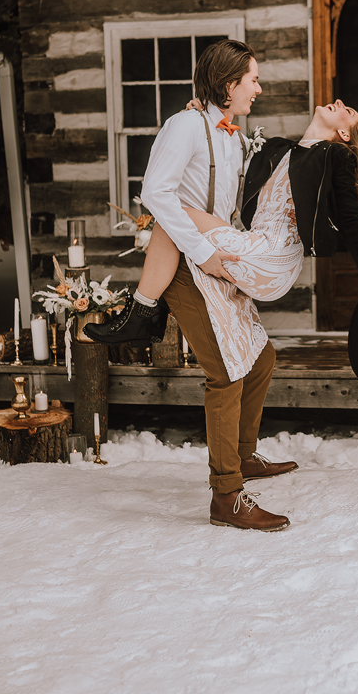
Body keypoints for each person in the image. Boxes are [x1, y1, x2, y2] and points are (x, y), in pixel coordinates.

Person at [86, 39, 295, 533]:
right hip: (186, 262)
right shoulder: (185, 126)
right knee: (225, 372)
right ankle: (226, 496)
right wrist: (205, 254)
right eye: (253, 80)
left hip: (216, 257)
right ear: (229, 84)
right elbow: (154, 193)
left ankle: (242, 456)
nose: (259, 89)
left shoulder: (225, 131)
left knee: (259, 358)